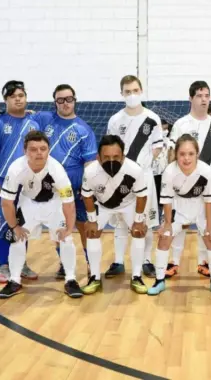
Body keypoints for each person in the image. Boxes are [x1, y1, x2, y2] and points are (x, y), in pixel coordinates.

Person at [0, 131, 83, 299]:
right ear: (25, 151)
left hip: (54, 204)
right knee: (17, 238)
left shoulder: (57, 169)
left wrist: (69, 228)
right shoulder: (16, 168)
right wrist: (15, 226)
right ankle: (14, 280)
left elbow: (69, 203)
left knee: (66, 238)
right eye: (33, 149)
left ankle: (71, 280)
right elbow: (7, 202)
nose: (39, 153)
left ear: (48, 150)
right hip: (29, 203)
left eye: (43, 149)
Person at [148, 134, 211, 297]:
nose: (186, 158)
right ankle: (159, 280)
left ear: (197, 154)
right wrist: (167, 224)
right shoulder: (169, 172)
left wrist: (210, 227)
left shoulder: (206, 172)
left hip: (201, 207)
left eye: (191, 154)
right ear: (176, 155)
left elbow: (210, 200)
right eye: (182, 154)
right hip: (178, 205)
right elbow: (167, 200)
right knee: (164, 237)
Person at [32, 84, 97, 279]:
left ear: (74, 100)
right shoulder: (45, 119)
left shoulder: (83, 129)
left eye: (69, 99)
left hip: (76, 188)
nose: (65, 103)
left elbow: (90, 163)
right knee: (59, 226)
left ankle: (90, 263)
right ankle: (64, 263)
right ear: (55, 102)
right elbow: (24, 120)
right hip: (51, 188)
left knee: (84, 227)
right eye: (60, 100)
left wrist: (86, 189)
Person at [0, 80, 40, 283]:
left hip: (26, 185)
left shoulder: (33, 123)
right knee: (1, 225)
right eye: (13, 96)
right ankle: (3, 265)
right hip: (2, 182)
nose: (18, 98)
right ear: (6, 99)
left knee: (21, 224)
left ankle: (21, 263)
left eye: (21, 95)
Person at [167, 81, 211, 277]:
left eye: (207, 95)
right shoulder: (180, 124)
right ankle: (173, 262)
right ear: (191, 98)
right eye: (199, 95)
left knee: (207, 223)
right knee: (179, 224)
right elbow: (171, 154)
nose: (204, 99)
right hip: (182, 182)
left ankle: (204, 262)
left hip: (209, 184)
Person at [107, 75, 163, 278]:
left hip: (145, 178)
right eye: (127, 91)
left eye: (135, 91)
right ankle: (118, 261)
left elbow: (158, 146)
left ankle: (146, 260)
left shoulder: (152, 118)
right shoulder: (115, 120)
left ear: (141, 91)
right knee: (121, 220)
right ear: (122, 93)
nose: (132, 95)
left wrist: (144, 164)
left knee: (144, 220)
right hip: (120, 178)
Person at [80, 135, 149, 294]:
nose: (112, 161)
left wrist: (138, 220)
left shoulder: (135, 170)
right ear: (98, 158)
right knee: (92, 233)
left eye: (116, 157)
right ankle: (95, 278)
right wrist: (91, 220)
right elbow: (87, 195)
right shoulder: (90, 172)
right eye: (107, 157)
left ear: (123, 156)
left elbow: (141, 196)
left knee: (138, 233)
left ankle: (137, 276)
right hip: (102, 205)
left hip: (129, 204)